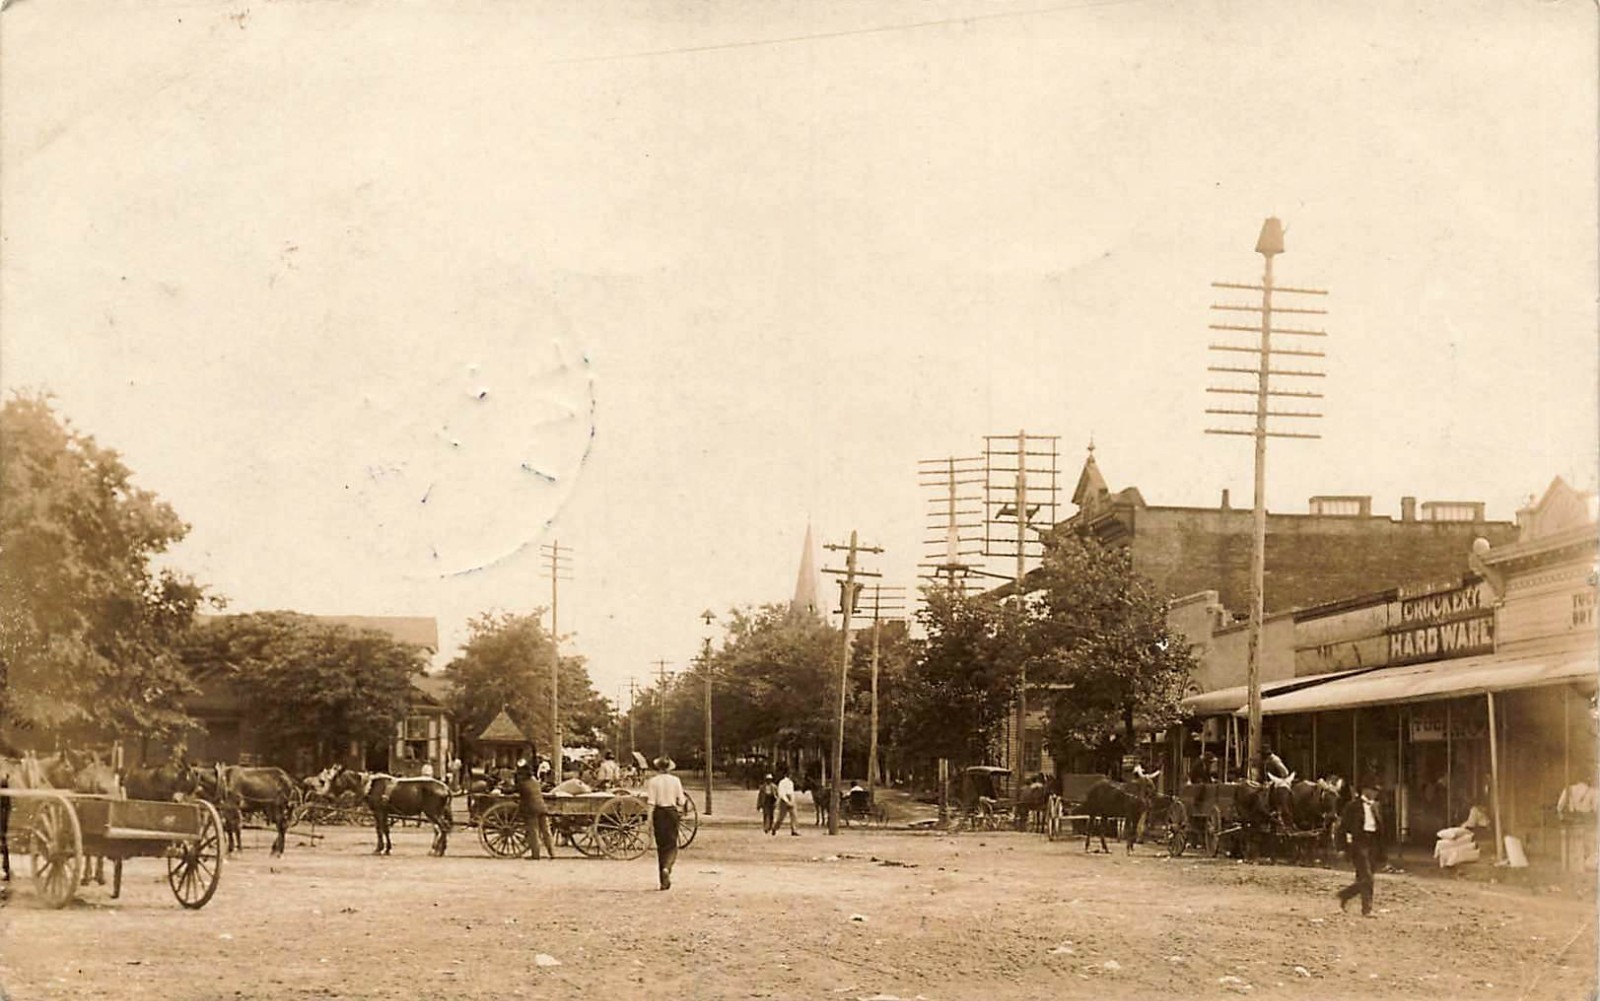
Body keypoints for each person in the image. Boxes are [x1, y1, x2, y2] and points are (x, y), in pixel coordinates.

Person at [1336, 780, 1384, 917]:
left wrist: (1382, 850)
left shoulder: (1377, 806)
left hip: (1373, 843)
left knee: (1365, 878)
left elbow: (1381, 829)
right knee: (1367, 877)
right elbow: (1342, 828)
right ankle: (1367, 909)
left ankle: (1346, 897)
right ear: (1365, 790)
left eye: (1377, 791)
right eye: (1373, 790)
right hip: (1359, 843)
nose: (1375, 793)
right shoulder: (1352, 806)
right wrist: (1342, 847)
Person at [644, 756, 687, 890]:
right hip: (671, 813)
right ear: (669, 767)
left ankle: (663, 880)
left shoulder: (653, 781)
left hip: (659, 813)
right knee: (672, 844)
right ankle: (667, 868)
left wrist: (649, 819)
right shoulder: (675, 780)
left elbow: (651, 802)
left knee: (661, 846)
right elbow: (681, 801)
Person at [516, 758, 556, 861]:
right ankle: (552, 853)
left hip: (531, 809)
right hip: (542, 807)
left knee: (533, 831)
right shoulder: (535, 781)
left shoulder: (522, 783)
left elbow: (515, 792)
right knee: (546, 831)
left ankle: (536, 855)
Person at [772, 766, 799, 836]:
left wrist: (792, 800)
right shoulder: (782, 782)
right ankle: (775, 828)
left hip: (791, 798)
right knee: (781, 817)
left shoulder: (791, 783)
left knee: (794, 815)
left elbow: (792, 792)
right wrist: (786, 801)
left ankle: (794, 830)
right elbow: (781, 793)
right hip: (784, 800)